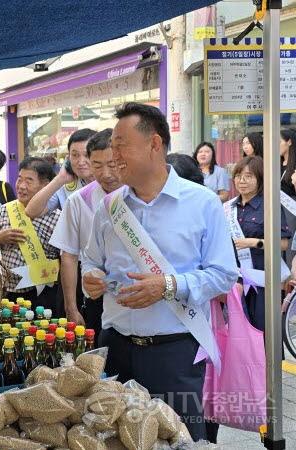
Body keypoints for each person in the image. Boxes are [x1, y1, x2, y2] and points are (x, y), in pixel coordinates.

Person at [82, 103, 238, 440]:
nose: (114, 153)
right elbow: (90, 260)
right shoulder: (109, 207)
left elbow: (224, 274)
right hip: (117, 348)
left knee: (178, 439)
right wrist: (90, 278)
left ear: (155, 143)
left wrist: (168, 285)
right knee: (115, 439)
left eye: (121, 143)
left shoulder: (203, 203)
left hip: (176, 352)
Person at [49, 129, 122, 334]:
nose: (106, 173)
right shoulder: (79, 200)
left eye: (112, 165)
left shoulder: (139, 196)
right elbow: (69, 256)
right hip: (94, 293)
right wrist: (71, 307)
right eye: (97, 165)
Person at [0, 157, 60, 309]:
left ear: (45, 185)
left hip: (44, 294)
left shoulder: (57, 217)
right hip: (9, 294)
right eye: (19, 179)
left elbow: (66, 258)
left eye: (29, 181)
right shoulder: (6, 210)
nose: (21, 186)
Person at [225, 156, 290, 332]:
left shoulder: (270, 206)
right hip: (235, 278)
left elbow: (283, 244)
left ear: (260, 178)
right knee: (238, 332)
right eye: (238, 176)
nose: (242, 181)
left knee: (263, 330)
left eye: (249, 176)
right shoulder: (229, 207)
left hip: (263, 278)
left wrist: (254, 242)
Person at [24, 129, 97, 218]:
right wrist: (60, 179)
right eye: (75, 155)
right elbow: (30, 212)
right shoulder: (66, 186)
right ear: (68, 158)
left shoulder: (110, 183)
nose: (81, 162)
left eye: (86, 155)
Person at [280, 129, 296, 263]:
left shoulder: (294, 165)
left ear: (289, 142)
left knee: (290, 242)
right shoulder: (276, 164)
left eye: (278, 142)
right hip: (276, 208)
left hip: (291, 209)